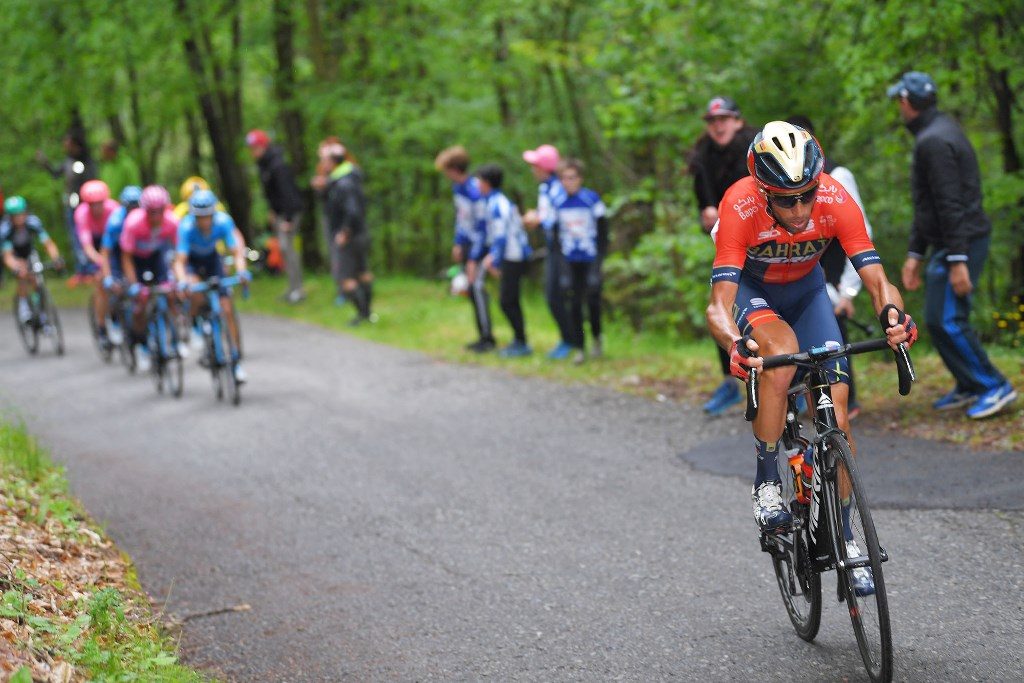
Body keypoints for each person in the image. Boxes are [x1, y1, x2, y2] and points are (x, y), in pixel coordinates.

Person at [706, 121, 917, 596]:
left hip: (807, 294)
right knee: (778, 358)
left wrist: (893, 316)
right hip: (754, 294)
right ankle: (766, 483)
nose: (800, 210)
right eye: (786, 200)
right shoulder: (738, 205)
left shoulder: (835, 197)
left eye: (807, 195)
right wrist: (733, 345)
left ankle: (845, 540)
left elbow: (877, 277)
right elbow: (719, 304)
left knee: (839, 421)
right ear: (763, 192)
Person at [889, 71, 1017, 419]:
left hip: (962, 241)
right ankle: (970, 383)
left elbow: (950, 203)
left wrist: (959, 259)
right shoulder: (936, 132)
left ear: (906, 102)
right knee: (934, 318)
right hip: (950, 241)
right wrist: (916, 253)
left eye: (898, 102)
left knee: (949, 319)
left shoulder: (934, 140)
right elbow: (928, 205)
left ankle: (993, 385)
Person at [786, 115, 875, 418]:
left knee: (834, 343)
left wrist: (850, 290)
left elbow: (861, 233)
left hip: (833, 280)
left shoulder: (837, 175)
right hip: (802, 276)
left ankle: (846, 404)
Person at [688, 96, 759, 415]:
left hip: (764, 241)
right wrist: (707, 216)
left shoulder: (756, 152)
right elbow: (704, 207)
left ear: (738, 122)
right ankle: (731, 383)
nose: (718, 126)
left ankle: (790, 383)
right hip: (728, 246)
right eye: (713, 121)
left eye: (724, 119)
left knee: (776, 308)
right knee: (720, 308)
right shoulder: (701, 158)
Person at [173, 189, 250, 383]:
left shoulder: (223, 222)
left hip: (212, 261)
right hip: (191, 262)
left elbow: (236, 251)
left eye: (208, 216)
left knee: (227, 309)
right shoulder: (186, 227)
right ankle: (196, 326)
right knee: (196, 292)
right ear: (194, 215)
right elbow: (180, 261)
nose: (205, 221)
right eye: (200, 217)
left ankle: (236, 360)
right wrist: (182, 281)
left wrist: (241, 271)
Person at [434, 146, 494, 353]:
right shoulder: (458, 189)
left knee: (477, 287)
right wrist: (458, 242)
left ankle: (488, 337)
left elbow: (481, 226)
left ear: (454, 169)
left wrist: (474, 257)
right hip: (468, 243)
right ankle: (482, 335)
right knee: (471, 288)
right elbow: (462, 219)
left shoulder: (474, 190)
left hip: (480, 245)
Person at [552, 159, 608, 364]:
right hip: (570, 260)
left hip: (590, 258)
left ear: (580, 179)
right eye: (564, 179)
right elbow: (556, 238)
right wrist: (561, 266)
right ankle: (579, 347)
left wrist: (598, 262)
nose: (568, 182)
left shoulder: (592, 200)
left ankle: (597, 338)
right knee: (574, 304)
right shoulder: (558, 204)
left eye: (572, 178)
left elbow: (603, 234)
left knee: (593, 300)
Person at [120, 185, 179, 370]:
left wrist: (176, 277)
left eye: (160, 211)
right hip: (136, 261)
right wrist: (134, 285)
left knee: (170, 292)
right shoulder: (133, 223)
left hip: (157, 257)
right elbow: (126, 258)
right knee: (140, 303)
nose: (156, 217)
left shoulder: (172, 222)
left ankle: (176, 336)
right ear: (144, 210)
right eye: (151, 212)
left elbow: (178, 254)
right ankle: (139, 342)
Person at [477, 163, 532, 357]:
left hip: (512, 256)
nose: (477, 185)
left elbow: (501, 236)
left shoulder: (496, 204)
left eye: (479, 181)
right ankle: (520, 340)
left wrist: (495, 260)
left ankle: (521, 342)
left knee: (507, 301)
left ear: (486, 183)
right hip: (513, 255)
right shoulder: (498, 201)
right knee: (510, 300)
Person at [521, 144, 570, 359]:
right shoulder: (544, 189)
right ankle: (567, 338)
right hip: (551, 248)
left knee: (556, 295)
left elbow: (561, 217)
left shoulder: (558, 188)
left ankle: (571, 340)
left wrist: (539, 220)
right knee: (551, 294)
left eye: (535, 166)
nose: (533, 170)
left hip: (563, 250)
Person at [246, 129, 306, 304]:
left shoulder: (277, 164)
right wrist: (273, 211)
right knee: (283, 251)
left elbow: (287, 193)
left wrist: (287, 218)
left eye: (254, 147)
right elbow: (272, 194)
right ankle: (292, 288)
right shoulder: (264, 164)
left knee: (289, 249)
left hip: (289, 213)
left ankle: (298, 290)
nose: (252, 152)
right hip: (280, 213)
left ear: (263, 146)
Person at [321, 139, 374, 325]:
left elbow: (352, 210)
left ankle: (362, 314)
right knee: (362, 272)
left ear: (333, 161)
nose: (322, 164)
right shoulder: (350, 177)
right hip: (360, 232)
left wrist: (345, 231)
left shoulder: (343, 183)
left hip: (349, 235)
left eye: (324, 160)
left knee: (345, 278)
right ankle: (367, 314)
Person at [36, 130, 96, 283]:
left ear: (75, 144)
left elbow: (90, 182)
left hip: (84, 207)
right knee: (74, 238)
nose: (65, 146)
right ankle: (81, 271)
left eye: (67, 143)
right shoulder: (68, 161)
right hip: (70, 206)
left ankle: (90, 270)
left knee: (85, 238)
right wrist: (45, 163)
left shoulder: (86, 162)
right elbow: (56, 174)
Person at [0, 196, 62, 324]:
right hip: (14, 254)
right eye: (15, 215)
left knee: (35, 277)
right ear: (10, 217)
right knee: (22, 273)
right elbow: (7, 256)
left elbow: (48, 243)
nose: (19, 218)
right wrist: (15, 267)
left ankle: (41, 310)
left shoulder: (33, 222)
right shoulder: (5, 230)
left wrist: (56, 258)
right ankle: (23, 306)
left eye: (21, 214)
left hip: (29, 251)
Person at [74, 180, 120, 347]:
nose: (97, 208)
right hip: (93, 246)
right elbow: (87, 246)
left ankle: (118, 313)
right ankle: (101, 327)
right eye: (92, 204)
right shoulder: (81, 214)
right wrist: (102, 262)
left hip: (111, 244)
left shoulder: (114, 209)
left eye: (100, 203)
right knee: (101, 282)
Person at [100, 185, 143, 345]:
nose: (133, 210)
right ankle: (114, 319)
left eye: (137, 206)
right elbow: (105, 252)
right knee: (117, 289)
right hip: (118, 256)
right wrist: (108, 277)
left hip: (136, 255)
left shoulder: (144, 220)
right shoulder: (115, 222)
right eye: (130, 207)